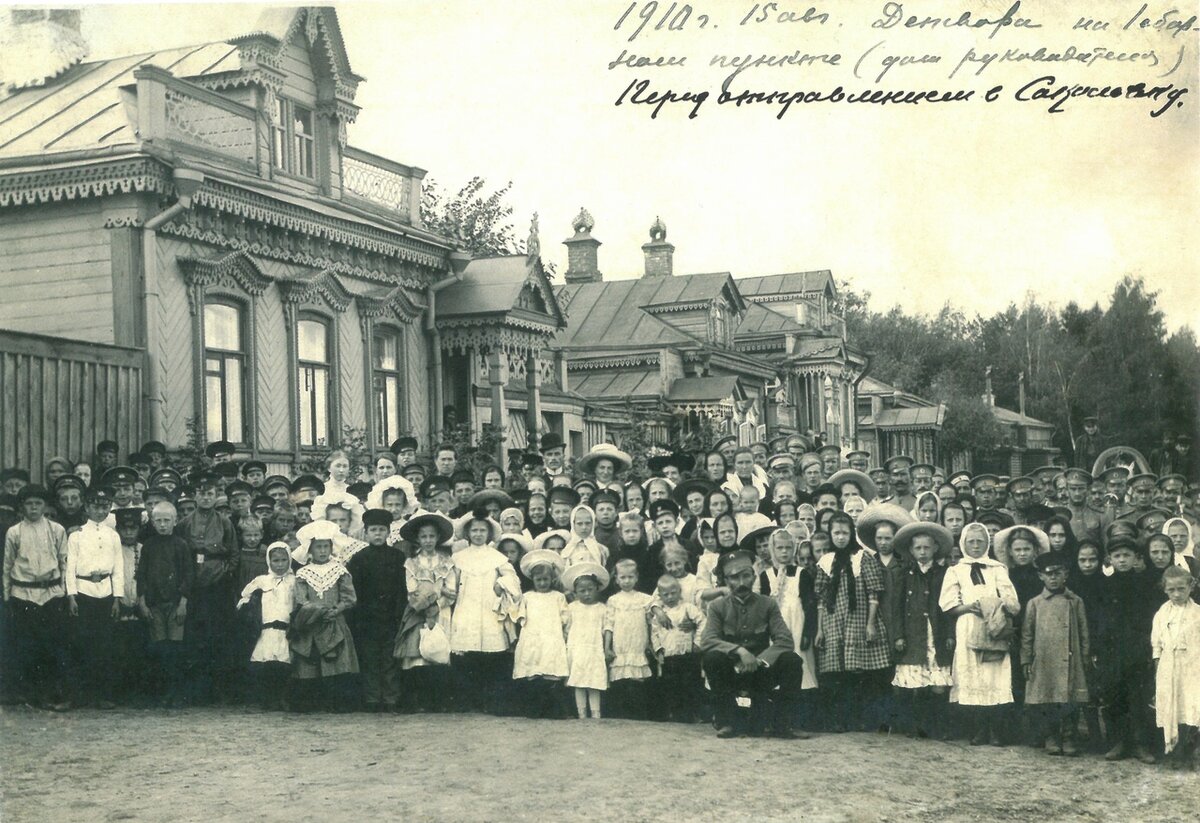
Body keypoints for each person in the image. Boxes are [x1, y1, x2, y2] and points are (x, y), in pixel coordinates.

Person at [701, 550, 806, 739]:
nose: (741, 583)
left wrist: (759, 660)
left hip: (761, 673)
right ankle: (727, 721)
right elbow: (708, 640)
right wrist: (740, 651)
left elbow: (785, 640)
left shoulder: (768, 604)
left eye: (746, 576)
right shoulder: (717, 607)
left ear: (753, 577)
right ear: (725, 581)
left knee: (792, 660)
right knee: (712, 658)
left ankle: (783, 724)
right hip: (732, 671)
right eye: (734, 578)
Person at [939, 522, 1020, 746]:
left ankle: (996, 730)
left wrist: (993, 605)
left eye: (980, 541)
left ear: (987, 543)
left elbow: (1012, 602)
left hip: (994, 626)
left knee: (994, 675)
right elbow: (947, 604)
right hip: (967, 626)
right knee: (972, 676)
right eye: (971, 542)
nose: (975, 546)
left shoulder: (997, 569)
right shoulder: (956, 570)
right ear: (963, 543)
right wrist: (970, 607)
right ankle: (979, 729)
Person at [814, 511, 891, 732]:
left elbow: (873, 594)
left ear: (852, 534)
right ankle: (840, 719)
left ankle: (861, 718)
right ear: (830, 534)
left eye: (845, 533)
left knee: (859, 673)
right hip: (832, 621)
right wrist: (820, 628)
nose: (840, 537)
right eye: (836, 533)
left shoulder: (862, 558)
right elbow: (821, 598)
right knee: (837, 674)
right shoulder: (825, 561)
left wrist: (870, 623)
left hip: (857, 620)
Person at [3, 485, 70, 710]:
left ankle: (50, 693)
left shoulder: (56, 530)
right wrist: (6, 596)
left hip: (51, 593)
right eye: (29, 504)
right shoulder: (14, 532)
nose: (34, 508)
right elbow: (7, 565)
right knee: (27, 646)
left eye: (38, 503)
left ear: (45, 506)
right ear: (22, 507)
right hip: (23, 594)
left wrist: (64, 592)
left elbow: (63, 562)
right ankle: (29, 694)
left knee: (50, 645)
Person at [449, 510, 521, 713]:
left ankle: (491, 701)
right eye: (475, 530)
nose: (478, 534)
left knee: (491, 655)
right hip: (466, 608)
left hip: (489, 609)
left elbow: (513, 579)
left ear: (489, 534)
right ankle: (469, 701)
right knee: (466, 653)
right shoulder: (459, 558)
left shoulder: (497, 558)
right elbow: (451, 582)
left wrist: (501, 583)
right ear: (468, 533)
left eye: (482, 530)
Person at [1020, 551, 1090, 756]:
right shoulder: (1035, 603)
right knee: (1047, 698)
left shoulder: (1075, 601)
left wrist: (1084, 656)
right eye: (1048, 574)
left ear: (1065, 575)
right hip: (1044, 660)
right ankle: (1051, 736)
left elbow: (1084, 631)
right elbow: (1027, 634)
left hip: (1070, 658)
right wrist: (1026, 659)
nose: (1053, 578)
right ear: (1041, 576)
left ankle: (1069, 736)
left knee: (1069, 700)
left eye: (1057, 573)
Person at [177, 473, 238, 705]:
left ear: (216, 496)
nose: (205, 498)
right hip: (193, 586)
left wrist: (225, 573)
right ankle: (195, 692)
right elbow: (181, 555)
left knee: (218, 636)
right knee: (194, 637)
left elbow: (233, 554)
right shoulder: (184, 524)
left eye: (210, 494)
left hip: (217, 585)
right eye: (201, 494)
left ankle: (218, 691)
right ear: (195, 496)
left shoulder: (224, 522)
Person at [1095, 537, 1158, 763]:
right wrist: (1101, 648)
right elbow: (1100, 619)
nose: (1122, 560)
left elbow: (1152, 618)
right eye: (1117, 556)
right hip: (1113, 650)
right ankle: (1119, 742)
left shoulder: (1145, 583)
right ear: (1110, 559)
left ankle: (1141, 743)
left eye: (1127, 555)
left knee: (1138, 698)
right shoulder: (1104, 584)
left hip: (1138, 650)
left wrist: (1148, 646)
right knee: (1115, 696)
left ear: (1136, 558)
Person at [890, 522, 954, 740]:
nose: (923, 552)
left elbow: (949, 607)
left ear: (935, 548)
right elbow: (896, 607)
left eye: (927, 548)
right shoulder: (904, 574)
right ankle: (914, 726)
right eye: (918, 548)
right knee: (913, 681)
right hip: (913, 632)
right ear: (911, 550)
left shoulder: (945, 573)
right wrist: (898, 635)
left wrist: (949, 635)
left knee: (938, 683)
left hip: (936, 631)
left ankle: (937, 726)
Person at [290, 521, 359, 711]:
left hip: (334, 621)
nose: (322, 551)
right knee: (309, 661)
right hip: (312, 622)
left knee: (336, 660)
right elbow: (300, 599)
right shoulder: (303, 573)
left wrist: (336, 610)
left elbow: (350, 598)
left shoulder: (339, 570)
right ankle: (311, 702)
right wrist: (316, 611)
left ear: (331, 547)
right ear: (310, 550)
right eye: (318, 547)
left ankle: (335, 702)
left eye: (326, 546)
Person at [65, 487, 124, 709]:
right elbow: (69, 568)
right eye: (95, 506)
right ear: (87, 507)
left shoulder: (113, 536)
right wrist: (71, 596)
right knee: (80, 644)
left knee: (103, 646)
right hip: (83, 591)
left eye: (105, 507)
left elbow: (118, 569)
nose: (100, 511)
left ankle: (101, 695)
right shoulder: (77, 535)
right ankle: (77, 695)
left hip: (105, 593)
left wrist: (117, 598)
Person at [346, 508, 407, 712]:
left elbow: (401, 589)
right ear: (365, 533)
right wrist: (360, 618)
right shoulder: (358, 559)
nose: (378, 534)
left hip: (391, 617)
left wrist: (398, 615)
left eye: (382, 530)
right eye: (373, 530)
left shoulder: (398, 557)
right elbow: (355, 592)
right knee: (370, 659)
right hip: (367, 619)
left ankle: (391, 699)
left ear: (389, 532)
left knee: (390, 659)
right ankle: (372, 698)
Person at [236, 542, 295, 711]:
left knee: (284, 663)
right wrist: (250, 605)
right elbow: (244, 599)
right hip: (266, 629)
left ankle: (282, 698)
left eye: (284, 560)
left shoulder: (294, 581)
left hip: (286, 629)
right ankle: (267, 699)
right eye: (275, 560)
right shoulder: (262, 581)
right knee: (265, 663)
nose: (280, 564)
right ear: (269, 561)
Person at [1151, 566, 1200, 768]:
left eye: (1181, 588)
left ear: (1191, 587)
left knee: (1191, 704)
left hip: (1192, 666)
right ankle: (1173, 747)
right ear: (1165, 590)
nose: (1177, 594)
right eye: (1172, 590)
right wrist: (1157, 667)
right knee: (1172, 704)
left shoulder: (1197, 613)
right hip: (1169, 666)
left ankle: (1188, 749)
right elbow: (1157, 644)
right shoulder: (1162, 614)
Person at [513, 549, 569, 717]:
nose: (543, 583)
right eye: (539, 580)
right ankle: (534, 708)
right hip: (533, 636)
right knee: (534, 668)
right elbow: (520, 615)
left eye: (546, 579)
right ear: (533, 580)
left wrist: (561, 627)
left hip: (552, 636)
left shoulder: (558, 597)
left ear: (552, 579)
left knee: (550, 669)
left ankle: (553, 709)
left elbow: (565, 616)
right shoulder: (528, 596)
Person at [651, 573, 706, 723]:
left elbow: (703, 622)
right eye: (665, 594)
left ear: (679, 592)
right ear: (660, 596)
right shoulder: (659, 615)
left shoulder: (688, 608)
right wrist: (659, 650)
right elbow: (654, 633)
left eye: (673, 593)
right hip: (669, 656)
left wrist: (697, 642)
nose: (670, 597)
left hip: (687, 654)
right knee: (671, 685)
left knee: (690, 684)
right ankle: (675, 714)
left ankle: (691, 714)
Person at [604, 558, 654, 719]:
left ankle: (639, 716)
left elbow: (652, 622)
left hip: (637, 645)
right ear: (616, 579)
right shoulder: (613, 600)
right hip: (620, 647)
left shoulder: (645, 599)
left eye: (630, 577)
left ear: (636, 577)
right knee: (621, 680)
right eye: (623, 577)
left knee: (637, 680)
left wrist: (652, 643)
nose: (626, 581)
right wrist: (607, 647)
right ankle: (621, 716)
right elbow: (608, 625)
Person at [563, 561, 610, 719]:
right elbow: (566, 628)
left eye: (590, 590)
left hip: (595, 650)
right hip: (577, 650)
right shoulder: (572, 608)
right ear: (575, 591)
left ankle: (596, 713)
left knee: (594, 682)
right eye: (582, 591)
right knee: (578, 681)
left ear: (597, 588)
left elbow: (606, 629)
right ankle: (581, 713)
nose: (587, 594)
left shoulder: (602, 609)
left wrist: (606, 647)